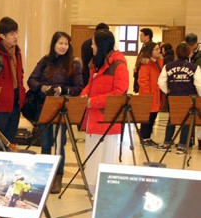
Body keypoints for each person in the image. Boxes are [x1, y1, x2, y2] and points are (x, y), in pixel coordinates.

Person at [27, 31, 83, 194]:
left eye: (66, 43)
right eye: (60, 43)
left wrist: (62, 89)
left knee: (59, 145)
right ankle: (44, 177)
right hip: (44, 107)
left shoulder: (74, 64)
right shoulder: (45, 61)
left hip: (62, 109)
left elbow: (78, 88)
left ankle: (57, 178)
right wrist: (42, 87)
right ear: (54, 44)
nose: (63, 46)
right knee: (45, 144)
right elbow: (31, 80)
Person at [80, 29, 129, 195]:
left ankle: (103, 190)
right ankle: (93, 187)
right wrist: (84, 94)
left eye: (94, 44)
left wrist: (93, 101)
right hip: (92, 117)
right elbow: (90, 84)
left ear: (101, 45)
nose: (92, 47)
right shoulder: (97, 63)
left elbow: (119, 92)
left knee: (104, 156)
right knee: (92, 156)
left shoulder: (118, 65)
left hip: (107, 119)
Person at [0, 17, 26, 151]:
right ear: (2, 36)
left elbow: (20, 76)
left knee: (10, 143)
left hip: (15, 104)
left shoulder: (17, 52)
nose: (16, 36)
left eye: (16, 32)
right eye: (12, 34)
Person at [157, 43, 201, 154]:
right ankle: (182, 145)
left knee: (171, 119)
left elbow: (161, 82)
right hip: (189, 97)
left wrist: (167, 91)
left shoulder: (168, 66)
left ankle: (167, 142)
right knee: (186, 121)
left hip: (173, 97)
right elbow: (199, 84)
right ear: (188, 53)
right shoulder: (194, 67)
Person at [138, 42, 163, 146]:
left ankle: (148, 137)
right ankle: (144, 138)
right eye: (156, 49)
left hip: (156, 94)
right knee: (147, 118)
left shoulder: (157, 62)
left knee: (152, 117)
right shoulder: (146, 64)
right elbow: (143, 81)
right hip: (148, 95)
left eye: (159, 49)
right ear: (150, 51)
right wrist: (147, 97)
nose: (158, 51)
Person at [133, 28, 154, 93]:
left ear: (147, 36)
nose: (140, 37)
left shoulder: (151, 46)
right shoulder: (144, 46)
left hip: (146, 75)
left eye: (141, 35)